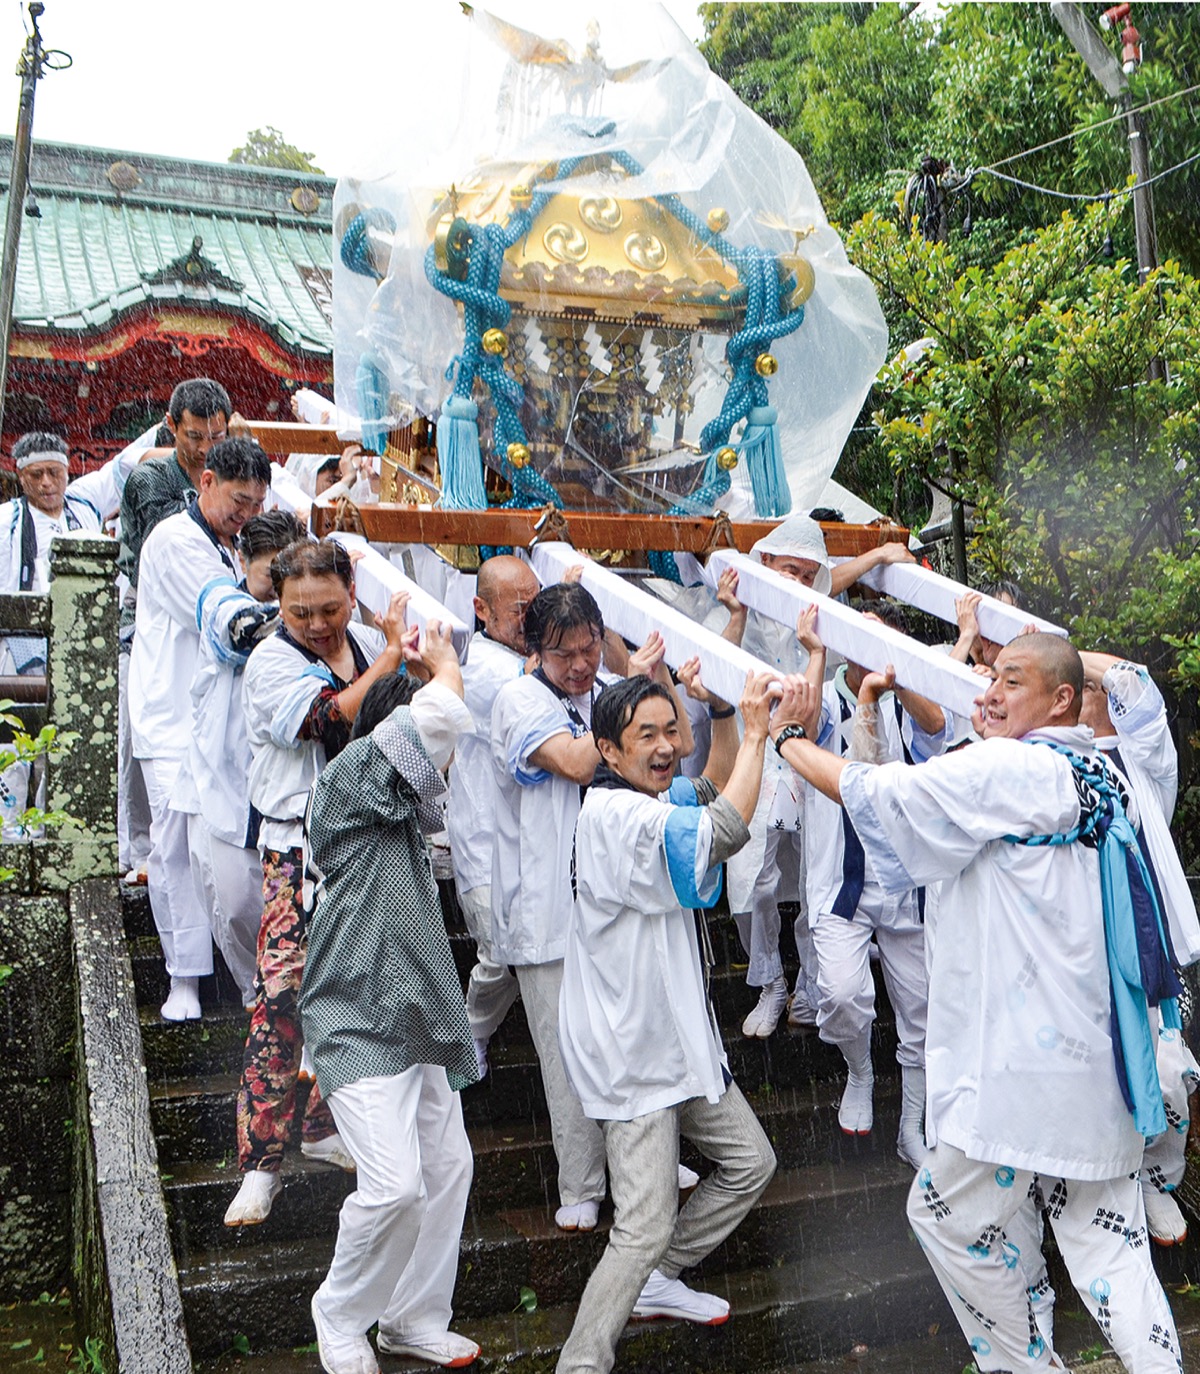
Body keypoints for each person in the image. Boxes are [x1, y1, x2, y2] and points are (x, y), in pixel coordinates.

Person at [770, 633, 1184, 1373]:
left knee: (942, 1218)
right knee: (1110, 1251)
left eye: (1010, 681)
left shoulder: (1014, 765)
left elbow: (879, 793)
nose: (988, 693)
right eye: (988, 677)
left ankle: (1025, 1365)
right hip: (1100, 1071)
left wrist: (790, 739)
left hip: (1018, 1080)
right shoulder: (1099, 771)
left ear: (1061, 700)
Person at [554, 667, 785, 1373]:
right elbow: (723, 827)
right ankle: (580, 1363)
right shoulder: (618, 815)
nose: (664, 747)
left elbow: (710, 786)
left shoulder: (649, 796)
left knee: (751, 1163)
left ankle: (663, 1276)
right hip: (632, 1051)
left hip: (677, 1041)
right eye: (643, 735)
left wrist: (715, 716)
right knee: (641, 1226)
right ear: (609, 752)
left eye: (668, 730)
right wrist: (757, 730)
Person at [489, 580, 691, 1232]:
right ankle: (581, 1182)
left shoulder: (610, 692)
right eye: (562, 655)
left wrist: (649, 688)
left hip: (614, 901)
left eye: (587, 650)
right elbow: (580, 762)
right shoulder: (518, 698)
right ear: (534, 650)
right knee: (563, 1051)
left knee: (634, 1039)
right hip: (547, 906)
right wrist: (633, 691)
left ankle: (653, 1162)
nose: (579, 666)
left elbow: (672, 748)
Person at [303, 638, 481, 1374]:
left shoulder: (403, 810)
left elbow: (438, 738)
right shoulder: (348, 780)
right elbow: (439, 717)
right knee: (394, 1185)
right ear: (389, 732)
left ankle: (410, 1317)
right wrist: (442, 662)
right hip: (355, 1020)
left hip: (415, 1020)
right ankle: (340, 1316)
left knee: (449, 1169)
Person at [224, 538, 410, 1227]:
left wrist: (394, 657)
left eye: (329, 608)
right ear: (277, 603)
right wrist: (390, 661)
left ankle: (327, 1125)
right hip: (296, 852)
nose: (318, 624)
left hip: (367, 846)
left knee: (359, 995)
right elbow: (324, 717)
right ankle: (259, 1164)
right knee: (282, 997)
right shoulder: (272, 658)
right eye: (301, 612)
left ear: (350, 589)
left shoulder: (365, 639)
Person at [718, 514, 916, 1038]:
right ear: (764, 564)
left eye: (810, 576)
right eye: (790, 572)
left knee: (815, 875)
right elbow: (718, 676)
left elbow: (834, 581)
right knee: (749, 876)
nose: (799, 585)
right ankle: (769, 980)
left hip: (811, 751)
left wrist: (875, 557)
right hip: (754, 755)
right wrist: (735, 614)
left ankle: (809, 981)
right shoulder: (740, 599)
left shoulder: (821, 617)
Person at [794, 606, 946, 1163]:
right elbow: (803, 735)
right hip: (841, 883)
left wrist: (898, 678)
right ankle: (859, 1071)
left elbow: (937, 729)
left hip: (908, 885)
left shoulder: (912, 699)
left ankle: (911, 1128)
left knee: (925, 1008)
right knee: (838, 993)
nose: (872, 648)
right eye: (859, 637)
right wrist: (817, 652)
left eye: (882, 637)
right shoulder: (825, 696)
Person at [128, 438, 271, 1021]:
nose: (248, 513)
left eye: (258, 503)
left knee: (221, 843)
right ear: (206, 481)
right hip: (169, 717)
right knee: (175, 847)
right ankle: (183, 973)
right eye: (240, 500)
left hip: (218, 721)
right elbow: (218, 612)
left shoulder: (235, 543)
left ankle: (246, 976)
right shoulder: (174, 540)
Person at [1079, 652, 1200, 1247]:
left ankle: (1159, 1178)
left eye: (1086, 686)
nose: (1082, 692)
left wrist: (1061, 654)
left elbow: (1136, 683)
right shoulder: (1048, 759)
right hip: (1083, 951)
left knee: (1171, 1073)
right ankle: (1114, 1186)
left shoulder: (1144, 761)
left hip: (1153, 949)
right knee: (1102, 1076)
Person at [171, 509, 306, 1007]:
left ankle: (291, 1015)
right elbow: (241, 628)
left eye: (286, 578)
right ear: (241, 560)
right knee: (233, 905)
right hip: (221, 784)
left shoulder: (315, 619)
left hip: (289, 793)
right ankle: (259, 1003)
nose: (277, 591)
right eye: (268, 577)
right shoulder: (223, 608)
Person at [117, 379, 232, 883]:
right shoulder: (151, 480)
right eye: (195, 435)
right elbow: (168, 553)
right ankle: (136, 850)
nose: (206, 446)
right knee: (139, 741)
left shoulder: (230, 477)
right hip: (149, 620)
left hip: (206, 622)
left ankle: (193, 847)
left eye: (217, 435)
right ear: (171, 427)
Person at [445, 554, 538, 1076]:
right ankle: (472, 1030)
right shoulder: (479, 670)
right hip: (484, 841)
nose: (535, 620)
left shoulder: (533, 659)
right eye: (523, 609)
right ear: (482, 610)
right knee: (500, 954)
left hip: (538, 837)